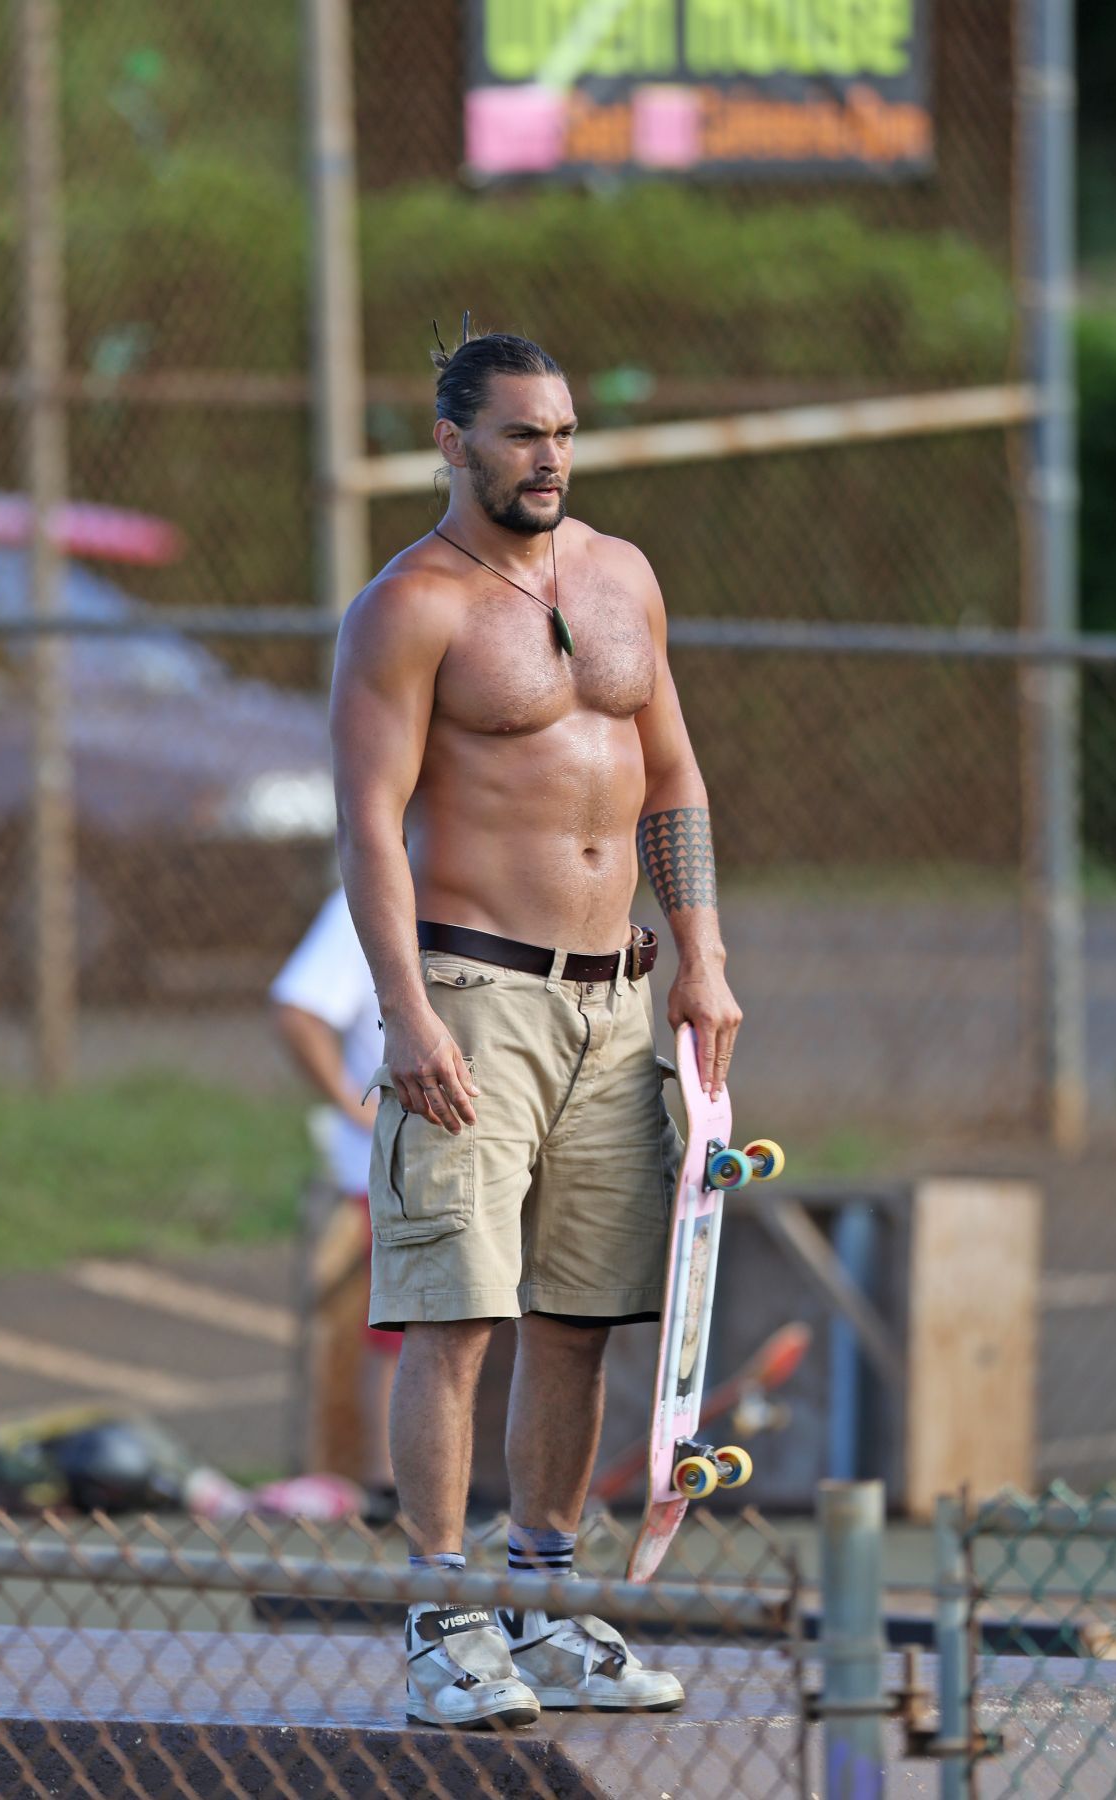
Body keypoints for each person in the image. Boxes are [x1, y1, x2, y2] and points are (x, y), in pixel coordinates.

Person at [329, 325, 743, 1730]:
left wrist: (704, 961)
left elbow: (673, 776)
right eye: (521, 434)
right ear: (453, 443)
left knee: (580, 1320)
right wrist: (404, 1015)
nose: (549, 456)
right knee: (456, 1315)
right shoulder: (410, 607)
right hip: (472, 994)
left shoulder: (623, 576)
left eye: (563, 431)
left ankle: (549, 1608)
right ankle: (443, 1621)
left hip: (617, 1000)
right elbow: (369, 832)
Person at [269, 887, 399, 1517]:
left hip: (504, 1147)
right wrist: (356, 1110)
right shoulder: (369, 899)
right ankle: (390, 1490)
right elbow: (298, 1010)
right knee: (414, 1324)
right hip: (403, 1163)